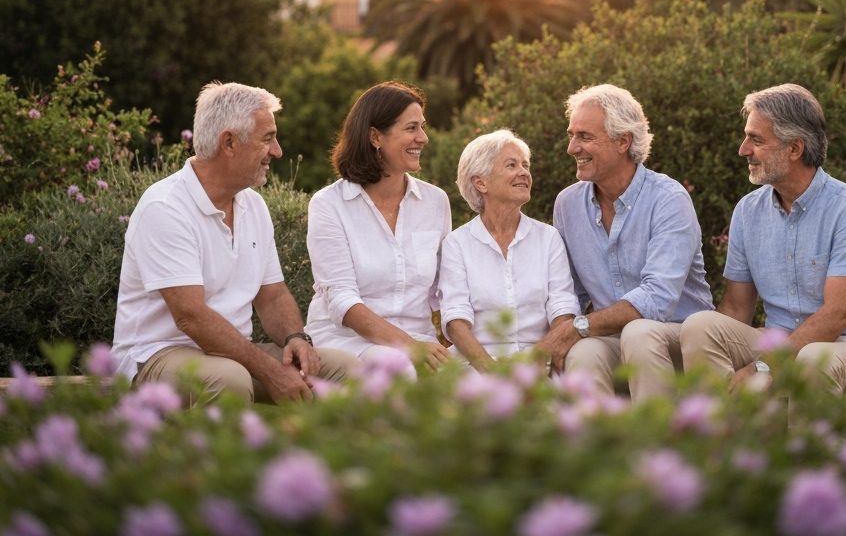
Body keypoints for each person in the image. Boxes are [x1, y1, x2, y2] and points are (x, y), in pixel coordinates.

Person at [111, 82, 356, 404]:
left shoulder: (252, 205)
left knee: (348, 369)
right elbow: (191, 317)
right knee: (230, 381)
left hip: (232, 353)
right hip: (156, 355)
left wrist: (296, 337)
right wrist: (269, 371)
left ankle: (321, 455)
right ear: (228, 142)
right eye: (267, 138)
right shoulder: (165, 208)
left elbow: (272, 296)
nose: (278, 151)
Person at [679, 83, 846, 406]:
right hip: (781, 345)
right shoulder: (747, 212)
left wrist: (762, 368)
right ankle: (725, 443)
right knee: (700, 328)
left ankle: (805, 456)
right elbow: (737, 308)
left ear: (794, 149)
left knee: (813, 361)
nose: (743, 150)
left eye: (756, 139)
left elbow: (837, 316)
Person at [539, 84, 714, 401]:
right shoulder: (567, 204)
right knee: (584, 354)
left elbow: (656, 299)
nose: (571, 148)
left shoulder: (668, 199)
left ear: (623, 141)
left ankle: (657, 442)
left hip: (681, 340)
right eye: (571, 135)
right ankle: (604, 446)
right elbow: (569, 292)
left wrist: (575, 327)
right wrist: (564, 330)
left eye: (585, 137)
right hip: (614, 337)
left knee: (638, 332)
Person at [304, 81, 452, 378]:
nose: (423, 138)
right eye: (411, 128)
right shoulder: (329, 205)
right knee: (399, 371)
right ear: (375, 137)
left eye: (423, 127)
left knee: (474, 383)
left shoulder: (435, 202)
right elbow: (343, 302)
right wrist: (409, 347)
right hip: (347, 341)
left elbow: (446, 290)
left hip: (417, 339)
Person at [438, 130, 579, 371]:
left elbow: (563, 307)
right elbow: (455, 319)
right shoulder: (457, 243)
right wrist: (491, 372)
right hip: (476, 365)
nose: (524, 172)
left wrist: (537, 362)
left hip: (539, 362)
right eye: (511, 165)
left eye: (525, 165)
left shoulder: (548, 238)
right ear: (480, 182)